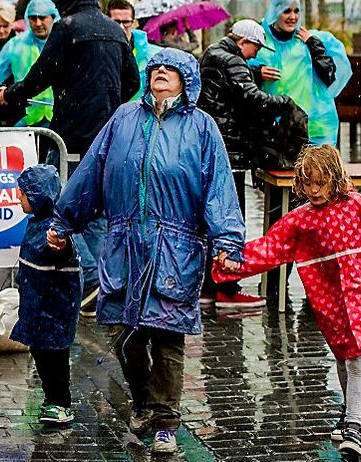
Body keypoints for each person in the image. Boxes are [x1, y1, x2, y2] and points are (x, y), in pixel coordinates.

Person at [48, 48, 244, 455]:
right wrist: (65, 220)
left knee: (168, 339)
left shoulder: (202, 128)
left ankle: (165, 420)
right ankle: (142, 400)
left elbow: (219, 188)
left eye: (170, 70)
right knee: (124, 334)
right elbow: (92, 170)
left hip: (176, 247)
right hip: (124, 244)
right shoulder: (123, 119)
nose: (161, 74)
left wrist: (227, 242)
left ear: (186, 80)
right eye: (155, 68)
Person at [214, 145, 361, 458]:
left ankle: (355, 423)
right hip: (330, 297)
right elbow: (269, 248)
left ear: (335, 179)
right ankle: (347, 413)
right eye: (308, 183)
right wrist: (233, 264)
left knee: (356, 354)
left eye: (320, 183)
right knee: (342, 351)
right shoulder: (301, 221)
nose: (314, 190)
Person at [0, 0, 140, 317]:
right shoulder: (113, 29)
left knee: (57, 206)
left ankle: (89, 278)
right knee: (99, 212)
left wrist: (10, 95)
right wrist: (108, 105)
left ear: (64, 1)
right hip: (107, 136)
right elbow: (133, 80)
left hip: (69, 137)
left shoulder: (68, 28)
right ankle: (106, 285)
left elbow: (40, 75)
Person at [197, 19, 298, 308]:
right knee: (231, 217)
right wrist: (285, 102)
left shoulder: (213, 53)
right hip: (231, 149)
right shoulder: (234, 60)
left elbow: (227, 81)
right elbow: (253, 99)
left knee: (210, 218)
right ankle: (228, 290)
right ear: (244, 42)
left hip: (211, 146)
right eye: (255, 48)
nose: (255, 54)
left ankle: (208, 285)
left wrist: (252, 71)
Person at [8, 164, 82, 426]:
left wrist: (59, 245)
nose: (18, 197)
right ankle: (53, 399)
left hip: (55, 308)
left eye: (23, 194)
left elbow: (63, 251)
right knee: (42, 355)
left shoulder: (54, 229)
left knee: (55, 358)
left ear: (37, 197)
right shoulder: (38, 224)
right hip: (37, 307)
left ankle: (61, 402)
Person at [250, 0, 352, 145]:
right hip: (279, 128)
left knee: (318, 169)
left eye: (297, 11)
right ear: (275, 12)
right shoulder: (262, 44)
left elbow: (329, 76)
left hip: (316, 126)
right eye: (286, 11)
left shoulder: (311, 40)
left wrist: (314, 46)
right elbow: (240, 77)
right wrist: (258, 72)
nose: (293, 17)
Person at [0, 0, 58, 127]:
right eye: (33, 18)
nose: (38, 23)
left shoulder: (62, 44)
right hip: (23, 119)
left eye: (42, 18)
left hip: (57, 118)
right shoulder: (14, 45)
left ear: (53, 17)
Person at [106, 0, 161, 100]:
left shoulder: (154, 55)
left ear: (134, 23)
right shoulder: (99, 51)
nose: (121, 27)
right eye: (116, 22)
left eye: (126, 22)